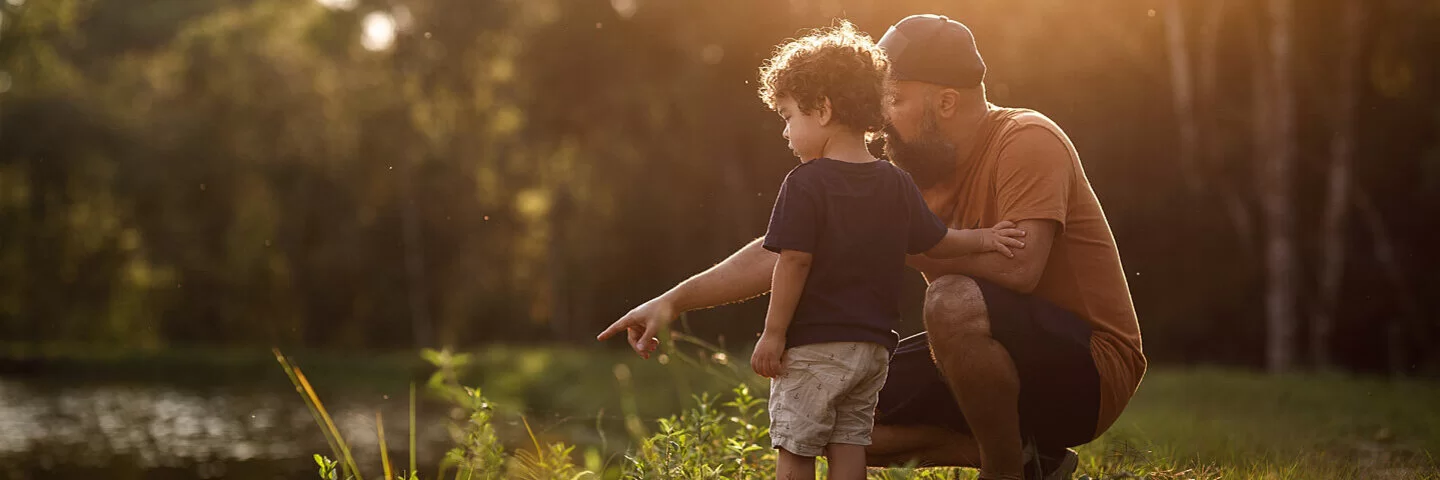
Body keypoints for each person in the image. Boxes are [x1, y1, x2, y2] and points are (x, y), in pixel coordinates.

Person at [598, 14, 1146, 480]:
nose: (881, 121)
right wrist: (673, 301)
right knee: (836, 403)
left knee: (950, 300)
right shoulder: (910, 173)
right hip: (985, 355)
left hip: (1089, 371)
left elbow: (1023, 269)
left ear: (947, 102)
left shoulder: (1026, 140)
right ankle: (1028, 460)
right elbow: (786, 247)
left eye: (896, 101)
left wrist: (896, 245)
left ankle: (1004, 473)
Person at [745, 21, 1026, 480]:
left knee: (796, 445)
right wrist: (988, 237)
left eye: (787, 115)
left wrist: (774, 334)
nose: (785, 131)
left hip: (815, 345)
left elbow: (793, 260)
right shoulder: (894, 182)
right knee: (849, 442)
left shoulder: (805, 183)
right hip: (872, 350)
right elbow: (938, 240)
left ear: (822, 108)